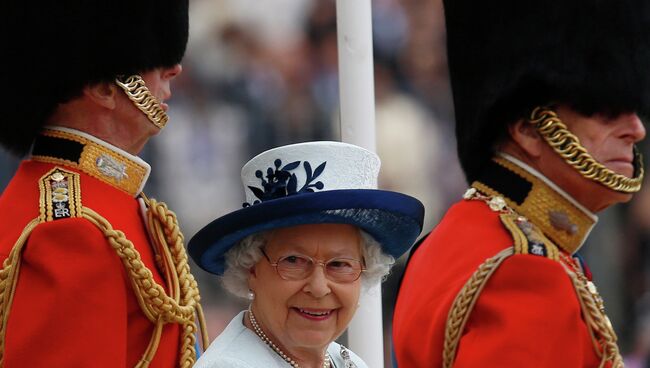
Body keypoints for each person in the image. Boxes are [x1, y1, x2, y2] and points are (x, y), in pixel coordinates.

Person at [393, 0, 649, 367]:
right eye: (605, 110)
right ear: (528, 129)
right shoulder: (525, 271)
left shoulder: (451, 240)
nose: (636, 129)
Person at [0, 0, 207, 366]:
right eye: (155, 59)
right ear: (102, 87)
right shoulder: (72, 228)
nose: (174, 69)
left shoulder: (105, 203)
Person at [188, 141, 424, 367]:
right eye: (294, 261)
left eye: (339, 264)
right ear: (251, 268)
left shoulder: (346, 362)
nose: (319, 287)